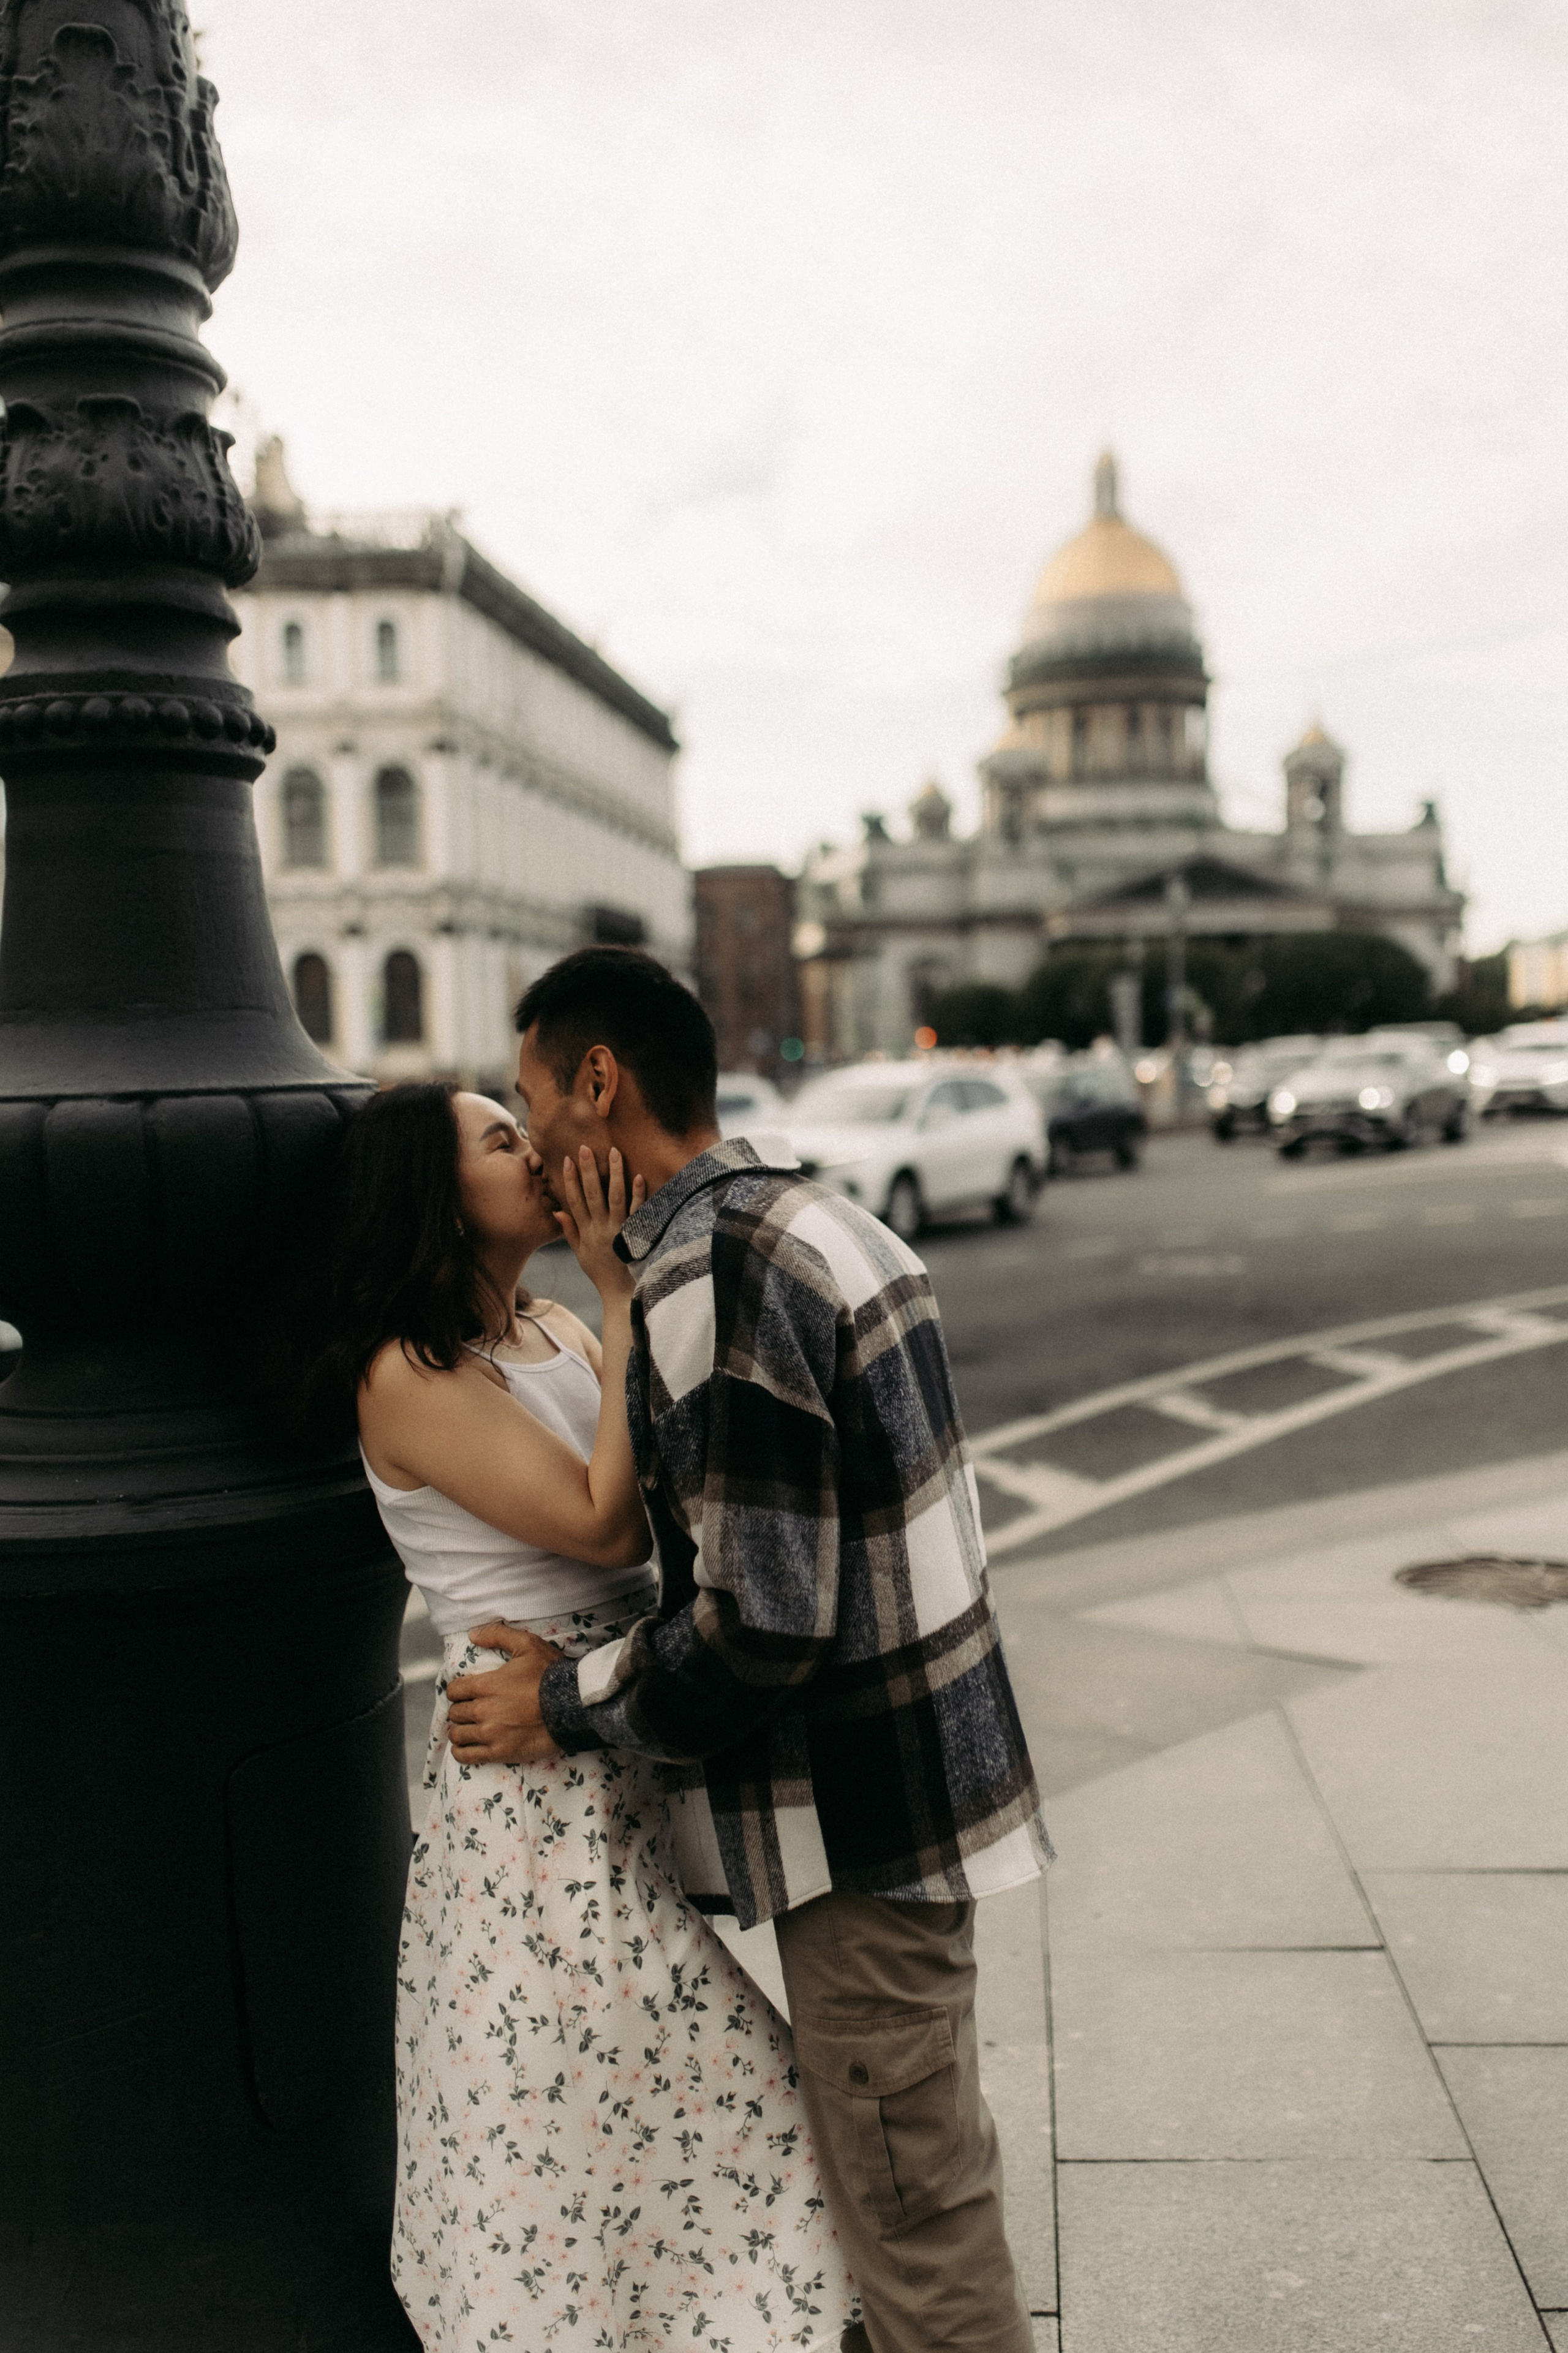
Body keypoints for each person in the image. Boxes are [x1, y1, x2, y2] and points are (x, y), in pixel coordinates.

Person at [445, 948, 1052, 2353]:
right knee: (911, 2175)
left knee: (912, 2223)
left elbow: (759, 1623)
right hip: (920, 1790)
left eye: (533, 1096)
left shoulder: (709, 1276)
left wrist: (562, 1699)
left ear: (599, 1082)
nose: (533, 1135)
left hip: (861, 1823)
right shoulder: (819, 1222)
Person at [294, 1081, 856, 2351]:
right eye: (502, 1141)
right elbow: (602, 1521)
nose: (538, 1150)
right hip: (530, 1799)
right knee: (600, 2111)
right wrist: (619, 1291)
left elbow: (656, 1506)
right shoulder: (406, 1373)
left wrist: (610, 1306)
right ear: (432, 1198)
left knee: (642, 2105)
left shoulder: (547, 1325)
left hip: (605, 1730)